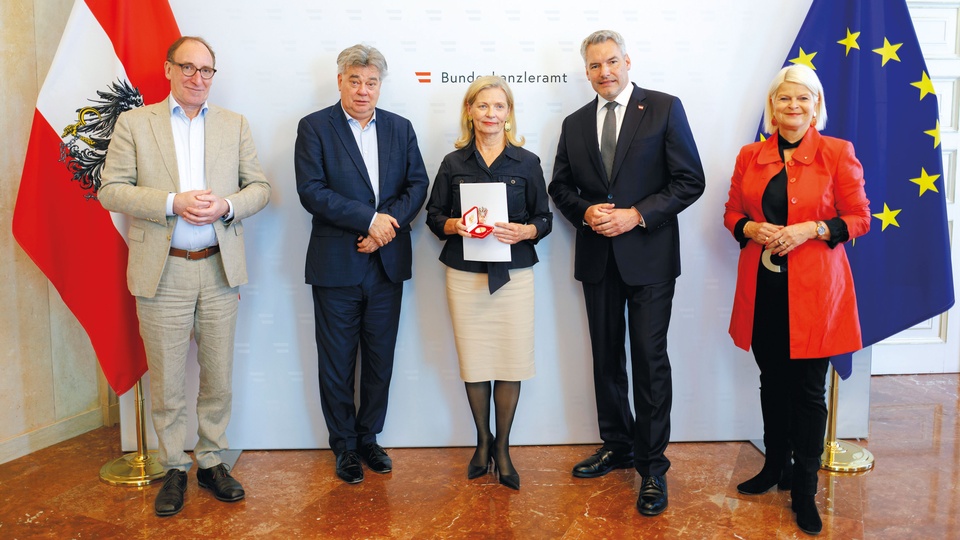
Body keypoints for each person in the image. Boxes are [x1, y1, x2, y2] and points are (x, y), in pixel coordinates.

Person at [99, 36, 271, 517]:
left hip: (219, 268)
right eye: (189, 68)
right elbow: (111, 189)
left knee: (218, 377)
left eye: (207, 70)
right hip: (163, 272)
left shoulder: (234, 125)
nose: (199, 78)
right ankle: (174, 467)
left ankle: (212, 461)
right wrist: (170, 203)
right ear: (168, 70)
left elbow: (260, 187)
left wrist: (228, 205)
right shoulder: (136, 123)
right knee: (169, 381)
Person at [548, 30, 705, 516]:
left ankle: (652, 467)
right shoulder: (574, 123)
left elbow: (690, 180)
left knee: (649, 361)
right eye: (595, 67)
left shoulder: (663, 107)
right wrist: (587, 212)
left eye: (611, 62)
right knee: (606, 359)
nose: (605, 73)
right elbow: (559, 185)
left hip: (649, 260)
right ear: (587, 71)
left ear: (627, 61)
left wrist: (636, 214)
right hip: (598, 258)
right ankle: (617, 444)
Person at [723, 64, 870, 536]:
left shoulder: (837, 152)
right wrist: (750, 227)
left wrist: (814, 228)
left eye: (802, 98)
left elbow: (860, 218)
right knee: (772, 381)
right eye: (784, 99)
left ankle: (804, 490)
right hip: (764, 289)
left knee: (808, 392)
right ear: (772, 106)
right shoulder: (750, 155)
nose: (793, 107)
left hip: (816, 295)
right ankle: (775, 469)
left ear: (817, 106)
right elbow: (731, 213)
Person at [294, 44, 429, 485]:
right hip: (337, 264)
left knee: (379, 358)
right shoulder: (315, 127)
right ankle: (344, 446)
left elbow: (417, 184)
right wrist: (369, 221)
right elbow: (312, 191)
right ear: (339, 81)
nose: (363, 90)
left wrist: (384, 229)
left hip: (386, 263)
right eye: (355, 80)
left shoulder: (400, 128)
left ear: (380, 86)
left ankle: (369, 437)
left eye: (371, 82)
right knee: (336, 361)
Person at [425, 76, 552, 491]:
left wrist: (526, 232)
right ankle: (482, 442)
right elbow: (432, 217)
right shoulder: (452, 162)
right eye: (483, 107)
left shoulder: (527, 162)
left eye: (499, 107)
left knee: (511, 359)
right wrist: (454, 225)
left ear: (509, 113)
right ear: (469, 111)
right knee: (476, 359)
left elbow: (544, 219)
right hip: (464, 275)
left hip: (514, 275)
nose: (491, 114)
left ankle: (504, 448)